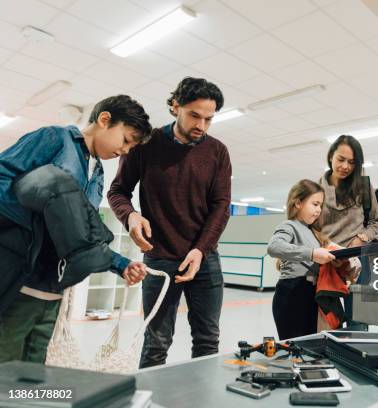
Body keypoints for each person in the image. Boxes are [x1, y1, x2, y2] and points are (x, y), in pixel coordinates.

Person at [0, 95, 151, 363]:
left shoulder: (98, 175)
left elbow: (83, 231)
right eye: (126, 140)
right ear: (105, 119)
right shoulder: (55, 139)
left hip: (52, 293)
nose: (126, 150)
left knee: (30, 380)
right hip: (19, 284)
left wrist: (121, 265)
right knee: (4, 372)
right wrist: (39, 220)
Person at [108, 77, 232, 368]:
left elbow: (221, 205)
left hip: (204, 259)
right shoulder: (145, 145)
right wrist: (131, 215)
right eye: (194, 115)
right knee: (156, 343)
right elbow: (117, 192)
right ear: (175, 106)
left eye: (209, 119)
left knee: (207, 340)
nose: (201, 125)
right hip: (159, 257)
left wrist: (201, 249)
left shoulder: (217, 151)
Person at [318, 135, 378, 326]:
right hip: (327, 262)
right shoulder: (317, 188)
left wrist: (362, 238)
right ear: (331, 156)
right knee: (326, 320)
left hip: (357, 261)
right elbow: (310, 225)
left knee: (358, 320)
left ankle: (356, 354)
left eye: (352, 162)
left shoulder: (363, 187)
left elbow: (376, 222)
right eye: (341, 159)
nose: (345, 166)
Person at [267, 179, 336, 340]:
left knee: (309, 346)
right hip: (292, 294)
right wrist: (312, 254)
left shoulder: (314, 232)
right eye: (315, 204)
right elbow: (274, 247)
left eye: (321, 205)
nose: (319, 209)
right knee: (296, 347)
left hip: (311, 295)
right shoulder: (289, 226)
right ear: (298, 203)